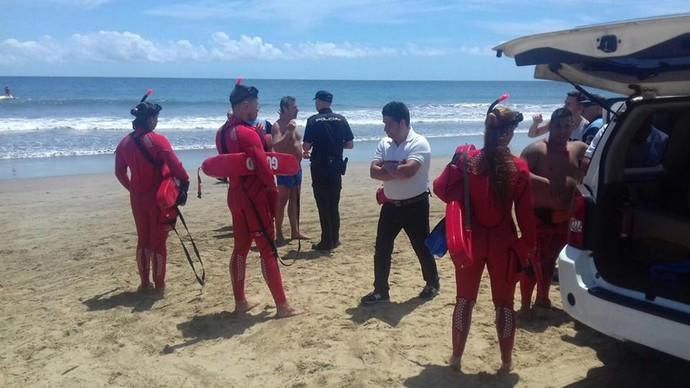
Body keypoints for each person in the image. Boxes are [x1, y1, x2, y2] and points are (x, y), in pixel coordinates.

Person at [433, 105, 537, 372]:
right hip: (505, 242)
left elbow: (441, 189)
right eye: (512, 130)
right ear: (508, 133)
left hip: (471, 239)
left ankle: (456, 358)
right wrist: (528, 247)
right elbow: (526, 217)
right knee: (504, 305)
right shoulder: (519, 168)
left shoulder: (469, 161)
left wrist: (456, 160)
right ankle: (505, 362)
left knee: (464, 300)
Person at [217, 81, 300, 318]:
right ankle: (282, 306)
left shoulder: (222, 131)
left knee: (240, 249)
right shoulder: (246, 133)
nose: (259, 106)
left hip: (235, 195)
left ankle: (240, 301)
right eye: (256, 102)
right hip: (255, 196)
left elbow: (224, 166)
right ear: (245, 105)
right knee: (267, 249)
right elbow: (263, 167)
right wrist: (272, 194)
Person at [360, 101, 440, 304]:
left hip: (416, 205)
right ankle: (380, 290)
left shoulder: (419, 142)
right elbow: (372, 171)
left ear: (402, 122)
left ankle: (432, 283)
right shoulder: (384, 143)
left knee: (421, 247)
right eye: (384, 123)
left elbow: (409, 171)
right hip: (390, 204)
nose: (385, 128)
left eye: (389, 124)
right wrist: (396, 168)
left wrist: (387, 169)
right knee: (382, 248)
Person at [115, 98, 190, 292]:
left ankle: (144, 282)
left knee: (143, 239)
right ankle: (160, 284)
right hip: (158, 197)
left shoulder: (124, 142)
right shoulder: (158, 140)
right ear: (149, 120)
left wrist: (132, 188)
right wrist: (185, 183)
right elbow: (176, 166)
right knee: (158, 241)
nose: (157, 121)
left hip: (137, 197)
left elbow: (119, 172)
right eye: (155, 118)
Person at [519, 108, 588, 313]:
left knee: (549, 262)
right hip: (539, 217)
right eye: (558, 126)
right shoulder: (536, 150)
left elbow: (592, 170)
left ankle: (543, 298)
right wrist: (542, 181)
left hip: (565, 217)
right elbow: (518, 175)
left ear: (573, 126)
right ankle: (524, 304)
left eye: (567, 126)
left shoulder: (579, 148)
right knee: (532, 262)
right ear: (551, 125)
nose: (562, 130)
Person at [303, 90, 354, 251]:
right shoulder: (341, 119)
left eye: (316, 101)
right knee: (334, 204)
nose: (316, 104)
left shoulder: (313, 120)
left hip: (319, 166)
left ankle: (326, 241)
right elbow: (350, 144)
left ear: (319, 101)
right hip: (336, 166)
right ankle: (335, 238)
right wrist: (337, 145)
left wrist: (308, 150)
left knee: (323, 204)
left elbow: (306, 146)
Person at [272, 96, 310, 243]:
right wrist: (288, 131)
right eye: (294, 107)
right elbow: (277, 146)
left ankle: (295, 231)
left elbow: (294, 144)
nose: (297, 109)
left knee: (295, 199)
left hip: (296, 167)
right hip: (284, 168)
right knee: (282, 201)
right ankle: (279, 234)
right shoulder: (278, 125)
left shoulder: (291, 124)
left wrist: (303, 152)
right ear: (285, 108)